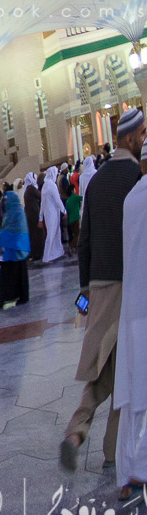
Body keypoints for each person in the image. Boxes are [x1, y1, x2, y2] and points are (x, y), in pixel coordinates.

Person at [64, 107, 143, 471]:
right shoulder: (136, 177)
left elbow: (84, 242)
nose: (143, 140)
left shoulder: (95, 181)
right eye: (141, 134)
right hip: (129, 285)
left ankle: (79, 432)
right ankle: (112, 449)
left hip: (98, 285)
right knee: (124, 367)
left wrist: (84, 295)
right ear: (129, 138)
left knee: (105, 367)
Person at [115, 163, 147, 492]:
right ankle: (140, 466)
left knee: (132, 393)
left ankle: (124, 474)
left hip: (132, 306)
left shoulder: (130, 199)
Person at [0, 185, 31, 311]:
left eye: (5, 201)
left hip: (18, 251)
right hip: (10, 252)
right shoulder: (9, 213)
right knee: (4, 277)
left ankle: (22, 297)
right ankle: (3, 300)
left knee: (18, 276)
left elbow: (13, 232)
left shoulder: (18, 212)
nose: (4, 203)